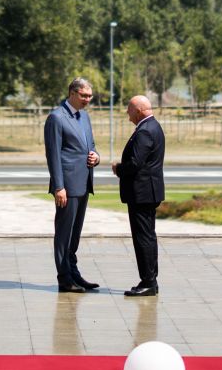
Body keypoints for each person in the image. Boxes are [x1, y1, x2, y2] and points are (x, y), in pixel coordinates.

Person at [44, 77, 101, 293]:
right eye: (84, 95)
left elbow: (91, 145)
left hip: (84, 183)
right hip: (66, 187)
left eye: (89, 96)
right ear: (72, 93)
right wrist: (59, 187)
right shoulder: (56, 118)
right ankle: (64, 279)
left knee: (75, 235)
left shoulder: (84, 117)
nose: (88, 99)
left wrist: (96, 157)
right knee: (64, 234)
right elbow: (53, 155)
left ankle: (75, 274)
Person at [112, 94, 165, 297]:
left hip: (142, 193)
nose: (128, 115)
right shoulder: (153, 126)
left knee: (143, 237)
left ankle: (148, 281)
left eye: (130, 111)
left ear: (139, 110)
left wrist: (118, 169)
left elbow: (135, 163)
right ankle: (150, 279)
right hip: (147, 192)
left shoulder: (145, 131)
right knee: (147, 236)